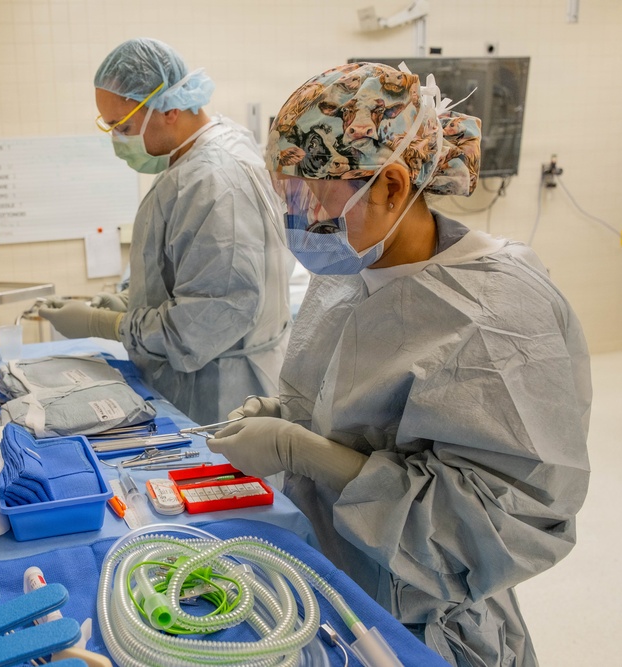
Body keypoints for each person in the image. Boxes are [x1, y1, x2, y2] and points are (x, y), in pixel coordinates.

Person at [207, 62, 591, 667]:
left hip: (423, 620)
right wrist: (289, 416)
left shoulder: (492, 312)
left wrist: (300, 451)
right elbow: (349, 406)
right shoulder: (355, 268)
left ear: (389, 186)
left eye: (311, 200)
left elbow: (487, 529)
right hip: (336, 578)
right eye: (286, 199)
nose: (299, 223)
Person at [39, 38, 290, 425]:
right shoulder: (202, 157)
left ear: (169, 107)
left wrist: (105, 324)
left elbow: (209, 316)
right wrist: (133, 301)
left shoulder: (212, 180)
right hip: (207, 384)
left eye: (124, 126)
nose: (117, 140)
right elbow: (191, 271)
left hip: (221, 399)